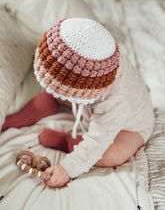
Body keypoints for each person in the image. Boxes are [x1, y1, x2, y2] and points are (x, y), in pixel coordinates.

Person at [2, 17, 155, 188]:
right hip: (88, 98)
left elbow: (98, 141)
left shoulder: (116, 100)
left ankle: (66, 141)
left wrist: (67, 169)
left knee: (113, 155)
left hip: (129, 127)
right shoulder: (89, 64)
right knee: (55, 94)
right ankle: (12, 121)